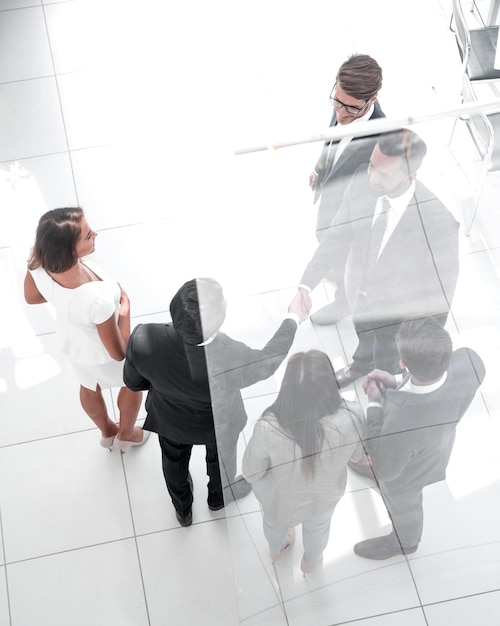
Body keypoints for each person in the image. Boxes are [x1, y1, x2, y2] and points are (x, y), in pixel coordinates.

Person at [123, 278, 309, 527]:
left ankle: (183, 510)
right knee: (221, 462)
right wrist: (293, 318)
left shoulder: (144, 337)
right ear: (217, 322)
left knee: (173, 462)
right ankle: (218, 498)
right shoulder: (231, 354)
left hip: (170, 420)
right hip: (218, 425)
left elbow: (134, 383)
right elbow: (268, 361)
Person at [297, 128, 460, 387]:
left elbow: (442, 294)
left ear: (411, 175)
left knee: (388, 356)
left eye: (383, 174)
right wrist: (306, 285)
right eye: (372, 165)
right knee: (364, 339)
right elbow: (336, 236)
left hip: (396, 316)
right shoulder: (362, 178)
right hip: (358, 298)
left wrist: (418, 350)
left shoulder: (439, 222)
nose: (372, 177)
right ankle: (360, 365)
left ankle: (387, 382)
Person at [350, 317, 485, 560]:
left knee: (403, 500)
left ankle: (406, 542)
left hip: (407, 473)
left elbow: (386, 470)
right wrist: (395, 381)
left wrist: (374, 403)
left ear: (402, 362)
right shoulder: (470, 361)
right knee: (391, 459)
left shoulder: (403, 422)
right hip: (436, 444)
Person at [23, 207, 145, 451]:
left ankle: (107, 431)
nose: (96, 234)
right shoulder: (96, 301)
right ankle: (126, 433)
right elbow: (118, 353)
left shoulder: (37, 260)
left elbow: (32, 297)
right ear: (68, 250)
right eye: (88, 236)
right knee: (134, 381)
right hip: (101, 351)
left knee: (89, 385)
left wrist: (63, 300)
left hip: (75, 344)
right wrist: (125, 310)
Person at [242, 350, 363, 575]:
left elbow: (251, 472)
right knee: (318, 529)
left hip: (281, 502)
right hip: (325, 497)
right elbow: (357, 456)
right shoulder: (353, 414)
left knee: (274, 528)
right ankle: (312, 560)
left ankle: (276, 551)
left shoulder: (268, 427)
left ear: (288, 388)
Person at [308, 54, 385, 323]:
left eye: (351, 109)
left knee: (345, 256)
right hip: (330, 197)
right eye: (337, 102)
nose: (341, 114)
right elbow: (332, 143)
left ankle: (345, 301)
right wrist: (320, 168)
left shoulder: (380, 139)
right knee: (323, 235)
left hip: (349, 215)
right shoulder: (344, 101)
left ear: (372, 99)